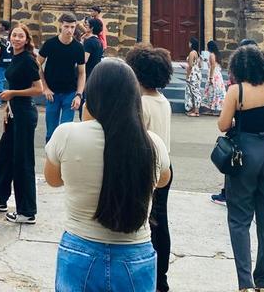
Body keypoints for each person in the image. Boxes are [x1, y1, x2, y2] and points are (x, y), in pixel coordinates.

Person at [45, 58, 171, 291]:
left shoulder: (66, 135)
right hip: (135, 253)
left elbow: (53, 179)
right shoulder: (153, 143)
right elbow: (162, 180)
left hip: (80, 247)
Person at [218, 44, 264, 292]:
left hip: (245, 154)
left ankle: (245, 283)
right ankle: (263, 280)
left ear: (239, 67)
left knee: (239, 219)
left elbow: (222, 125)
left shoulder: (236, 91)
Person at [0, 22, 43, 223]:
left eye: (20, 36)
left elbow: (38, 89)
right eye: (14, 35)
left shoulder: (28, 60)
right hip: (15, 112)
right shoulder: (16, 57)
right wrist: (8, 107)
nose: (16, 38)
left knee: (22, 162)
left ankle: (27, 212)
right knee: (4, 156)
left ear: (26, 40)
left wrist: (12, 95)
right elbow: (16, 84)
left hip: (25, 114)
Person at [127, 46, 175, 292]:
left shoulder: (141, 103)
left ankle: (149, 275)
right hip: (165, 165)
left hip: (146, 166)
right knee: (160, 222)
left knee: (145, 223)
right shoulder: (162, 100)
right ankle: (161, 277)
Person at [39, 13, 86, 142]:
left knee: (65, 132)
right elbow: (37, 65)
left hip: (70, 93)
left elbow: (82, 73)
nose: (70, 30)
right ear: (60, 25)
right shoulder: (50, 44)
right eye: (66, 26)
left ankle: (62, 160)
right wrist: (45, 87)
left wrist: (79, 95)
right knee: (51, 132)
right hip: (52, 93)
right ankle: (50, 159)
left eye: (72, 27)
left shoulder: (78, 48)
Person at [78, 18, 104, 120]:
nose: (85, 26)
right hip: (95, 75)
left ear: (92, 28)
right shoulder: (99, 42)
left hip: (87, 75)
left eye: (87, 25)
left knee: (83, 104)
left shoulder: (89, 42)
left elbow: (84, 60)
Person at [201, 40, 227, 116]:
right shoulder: (216, 55)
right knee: (215, 91)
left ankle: (213, 109)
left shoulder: (211, 55)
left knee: (212, 91)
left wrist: (211, 78)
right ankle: (214, 108)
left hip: (213, 75)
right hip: (217, 75)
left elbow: (213, 66)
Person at [0, 20, 13, 108]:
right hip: (11, 61)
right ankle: (12, 101)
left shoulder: (0, 37)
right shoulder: (12, 36)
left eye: (0, 25)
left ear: (4, 26)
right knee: (12, 81)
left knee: (0, 81)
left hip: (2, 61)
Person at [183, 37, 203, 117]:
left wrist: (187, 76)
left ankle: (196, 111)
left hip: (192, 74)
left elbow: (190, 66)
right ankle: (193, 109)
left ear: (191, 44)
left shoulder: (192, 53)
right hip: (197, 73)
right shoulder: (197, 53)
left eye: (189, 43)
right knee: (193, 91)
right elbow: (200, 65)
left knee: (194, 92)